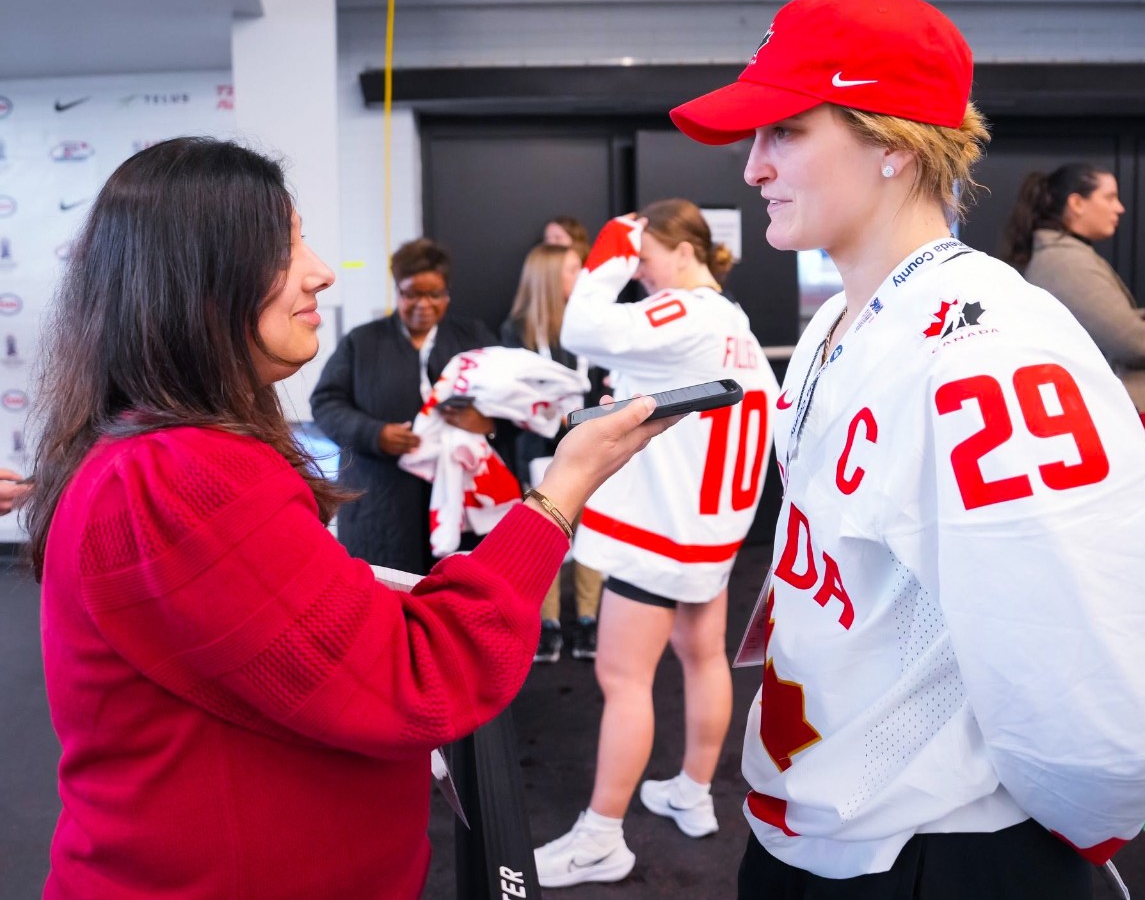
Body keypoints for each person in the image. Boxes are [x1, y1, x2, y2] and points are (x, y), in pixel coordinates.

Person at [669, 0, 1145, 898]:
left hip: (938, 849)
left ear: (892, 141)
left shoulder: (988, 350)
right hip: (814, 828)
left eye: (786, 132)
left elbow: (1090, 655)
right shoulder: (832, 326)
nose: (752, 168)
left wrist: (1087, 820)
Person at [24, 137, 675, 900]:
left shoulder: (161, 456)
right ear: (198, 281)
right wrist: (563, 491)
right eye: (285, 244)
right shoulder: (186, 475)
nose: (321, 271)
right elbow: (421, 677)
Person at [532, 200, 779, 887]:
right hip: (712, 534)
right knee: (704, 658)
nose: (639, 273)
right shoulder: (737, 325)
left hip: (658, 532)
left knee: (622, 678)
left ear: (681, 251)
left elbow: (580, 326)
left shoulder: (686, 311)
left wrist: (610, 248)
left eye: (646, 258)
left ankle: (600, 836)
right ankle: (692, 790)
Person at [310, 238, 508, 573]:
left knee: (455, 597)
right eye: (412, 293)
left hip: (461, 505)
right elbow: (325, 402)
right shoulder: (363, 342)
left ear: (448, 293)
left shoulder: (473, 337)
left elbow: (514, 400)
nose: (424, 304)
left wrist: (489, 423)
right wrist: (374, 434)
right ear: (397, 291)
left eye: (435, 294)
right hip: (381, 505)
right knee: (387, 602)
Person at [1002, 163, 1145, 458]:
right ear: (1076, 203)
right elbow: (1136, 343)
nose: (1120, 208)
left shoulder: (1068, 256)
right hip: (1106, 429)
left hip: (1101, 423)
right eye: (1110, 197)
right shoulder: (1065, 263)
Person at [500, 241, 605, 662]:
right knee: (545, 532)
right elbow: (514, 396)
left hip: (588, 442)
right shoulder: (518, 330)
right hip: (537, 448)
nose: (580, 277)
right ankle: (545, 623)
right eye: (572, 269)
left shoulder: (589, 327)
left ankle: (587, 619)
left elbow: (598, 385)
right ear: (547, 276)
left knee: (591, 533)